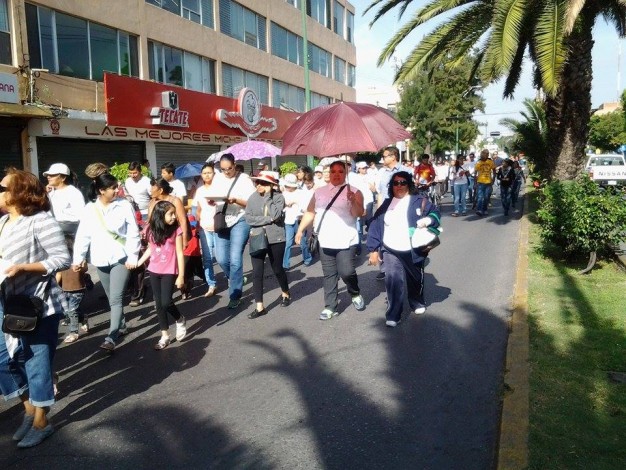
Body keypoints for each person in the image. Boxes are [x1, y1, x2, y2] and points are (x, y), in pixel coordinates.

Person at [0, 168, 70, 448]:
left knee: (37, 363)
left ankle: (42, 422)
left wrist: (23, 268)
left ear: (20, 192)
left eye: (3, 187)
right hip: (7, 301)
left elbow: (62, 259)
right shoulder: (3, 223)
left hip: (38, 305)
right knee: (4, 360)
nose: (0, 191)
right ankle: (30, 410)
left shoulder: (40, 221)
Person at [73, 173, 141, 353]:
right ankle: (122, 325)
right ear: (101, 190)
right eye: (112, 188)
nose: (116, 190)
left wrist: (133, 256)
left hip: (121, 257)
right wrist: (78, 258)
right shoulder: (89, 209)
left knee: (117, 298)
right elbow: (83, 236)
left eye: (116, 186)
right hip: (100, 259)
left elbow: (134, 232)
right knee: (112, 298)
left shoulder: (124, 205)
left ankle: (111, 337)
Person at [366, 171, 441, 327]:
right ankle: (394, 313)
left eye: (402, 183)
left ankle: (416, 301)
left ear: (409, 185)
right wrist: (373, 249)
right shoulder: (387, 204)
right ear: (391, 186)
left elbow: (435, 214)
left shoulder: (419, 201)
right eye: (395, 183)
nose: (399, 186)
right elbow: (375, 225)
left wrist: (427, 220)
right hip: (390, 249)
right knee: (393, 279)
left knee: (415, 279)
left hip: (413, 250)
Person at [295, 161, 366, 320]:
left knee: (347, 271)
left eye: (340, 171)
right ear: (328, 173)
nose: (336, 174)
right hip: (325, 239)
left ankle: (354, 293)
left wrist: (353, 200)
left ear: (345, 173)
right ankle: (330, 306)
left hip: (346, 239)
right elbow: (310, 212)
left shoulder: (354, 191)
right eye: (333, 171)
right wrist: (300, 230)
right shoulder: (319, 192)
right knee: (329, 275)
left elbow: (358, 213)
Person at [130, 201, 187, 350]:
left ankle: (180, 319)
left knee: (166, 302)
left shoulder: (176, 230)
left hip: (169, 271)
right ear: (160, 215)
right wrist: (139, 262)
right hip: (154, 270)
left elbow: (180, 254)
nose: (174, 216)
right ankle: (165, 336)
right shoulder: (150, 229)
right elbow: (151, 249)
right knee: (159, 305)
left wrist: (181, 275)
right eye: (170, 214)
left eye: (174, 213)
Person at [209, 153, 255, 309]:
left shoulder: (245, 180)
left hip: (240, 219)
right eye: (223, 169)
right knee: (221, 258)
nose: (226, 172)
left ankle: (235, 295)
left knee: (235, 259)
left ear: (234, 165)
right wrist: (211, 199)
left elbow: (251, 203)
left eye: (229, 169)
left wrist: (235, 200)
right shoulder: (218, 178)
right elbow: (213, 197)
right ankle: (237, 277)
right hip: (222, 219)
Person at [244, 171, 291, 318]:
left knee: (277, 268)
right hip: (257, 237)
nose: (259, 185)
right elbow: (249, 219)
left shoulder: (278, 197)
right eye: (257, 182)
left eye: (263, 183)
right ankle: (259, 307)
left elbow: (276, 215)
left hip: (276, 238)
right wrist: (268, 220)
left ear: (271, 185)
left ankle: (285, 293)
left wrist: (268, 198)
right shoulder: (252, 198)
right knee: (257, 272)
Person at [193, 163, 218, 297]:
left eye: (209, 172)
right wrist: (197, 224)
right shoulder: (200, 190)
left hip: (220, 227)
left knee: (221, 258)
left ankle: (233, 279)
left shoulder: (220, 188)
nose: (207, 175)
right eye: (204, 173)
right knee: (207, 258)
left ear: (214, 174)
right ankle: (211, 284)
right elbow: (198, 209)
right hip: (204, 227)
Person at [59, 233, 89, 343]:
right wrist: (57, 287)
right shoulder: (61, 259)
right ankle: (83, 318)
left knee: (72, 310)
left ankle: (73, 332)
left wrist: (80, 266)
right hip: (65, 289)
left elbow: (85, 268)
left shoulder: (79, 258)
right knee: (69, 311)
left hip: (78, 288)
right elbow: (58, 274)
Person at [44, 163, 85, 237]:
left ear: (63, 178)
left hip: (69, 235)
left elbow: (81, 216)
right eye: (48, 175)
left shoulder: (73, 192)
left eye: (53, 175)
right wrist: (44, 194)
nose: (48, 177)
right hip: (53, 233)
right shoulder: (50, 193)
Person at [148, 178, 190, 249]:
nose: (150, 190)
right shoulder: (152, 202)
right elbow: (150, 221)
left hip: (173, 236)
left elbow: (182, 221)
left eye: (152, 188)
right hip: (158, 237)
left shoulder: (175, 201)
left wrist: (184, 239)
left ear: (161, 190)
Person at [282, 173, 303, 269]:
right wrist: (286, 205)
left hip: (299, 220)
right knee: (288, 243)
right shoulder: (283, 193)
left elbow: (304, 207)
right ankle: (286, 264)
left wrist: (294, 202)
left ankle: (307, 257)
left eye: (287, 186)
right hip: (288, 221)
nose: (286, 187)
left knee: (303, 242)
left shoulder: (300, 193)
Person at [475, 149, 496, 216]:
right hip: (480, 182)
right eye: (483, 154)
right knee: (480, 197)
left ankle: (485, 209)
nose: (484, 155)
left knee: (486, 197)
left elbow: (494, 170)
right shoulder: (478, 162)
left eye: (486, 154)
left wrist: (493, 179)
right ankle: (479, 210)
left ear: (487, 155)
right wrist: (475, 182)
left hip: (488, 182)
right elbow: (475, 173)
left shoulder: (490, 162)